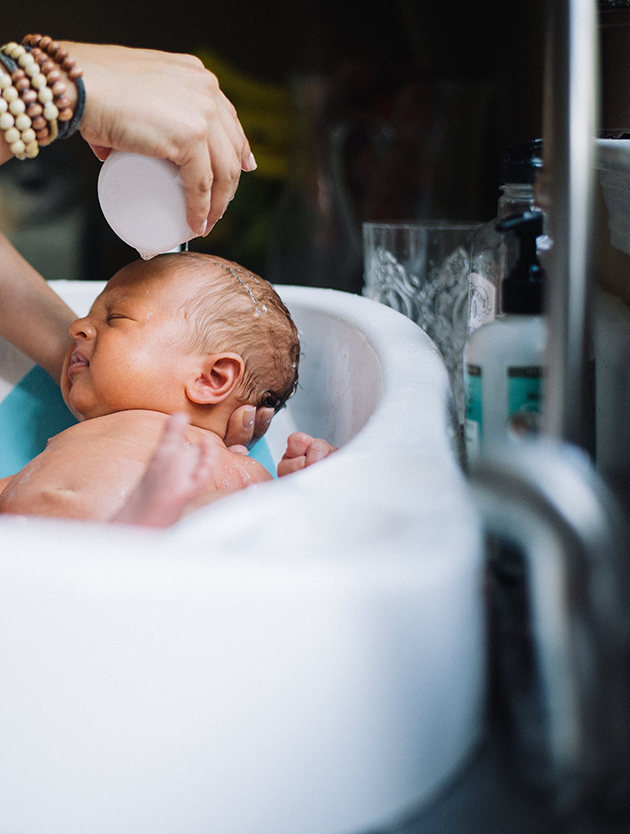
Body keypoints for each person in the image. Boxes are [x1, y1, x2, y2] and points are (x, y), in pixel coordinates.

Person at [0, 251, 334, 523]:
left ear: (211, 379)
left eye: (115, 318)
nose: (76, 328)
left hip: (128, 560)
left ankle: (155, 524)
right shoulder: (78, 437)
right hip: (30, 559)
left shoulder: (224, 463)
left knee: (209, 515)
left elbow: (271, 537)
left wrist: (309, 486)